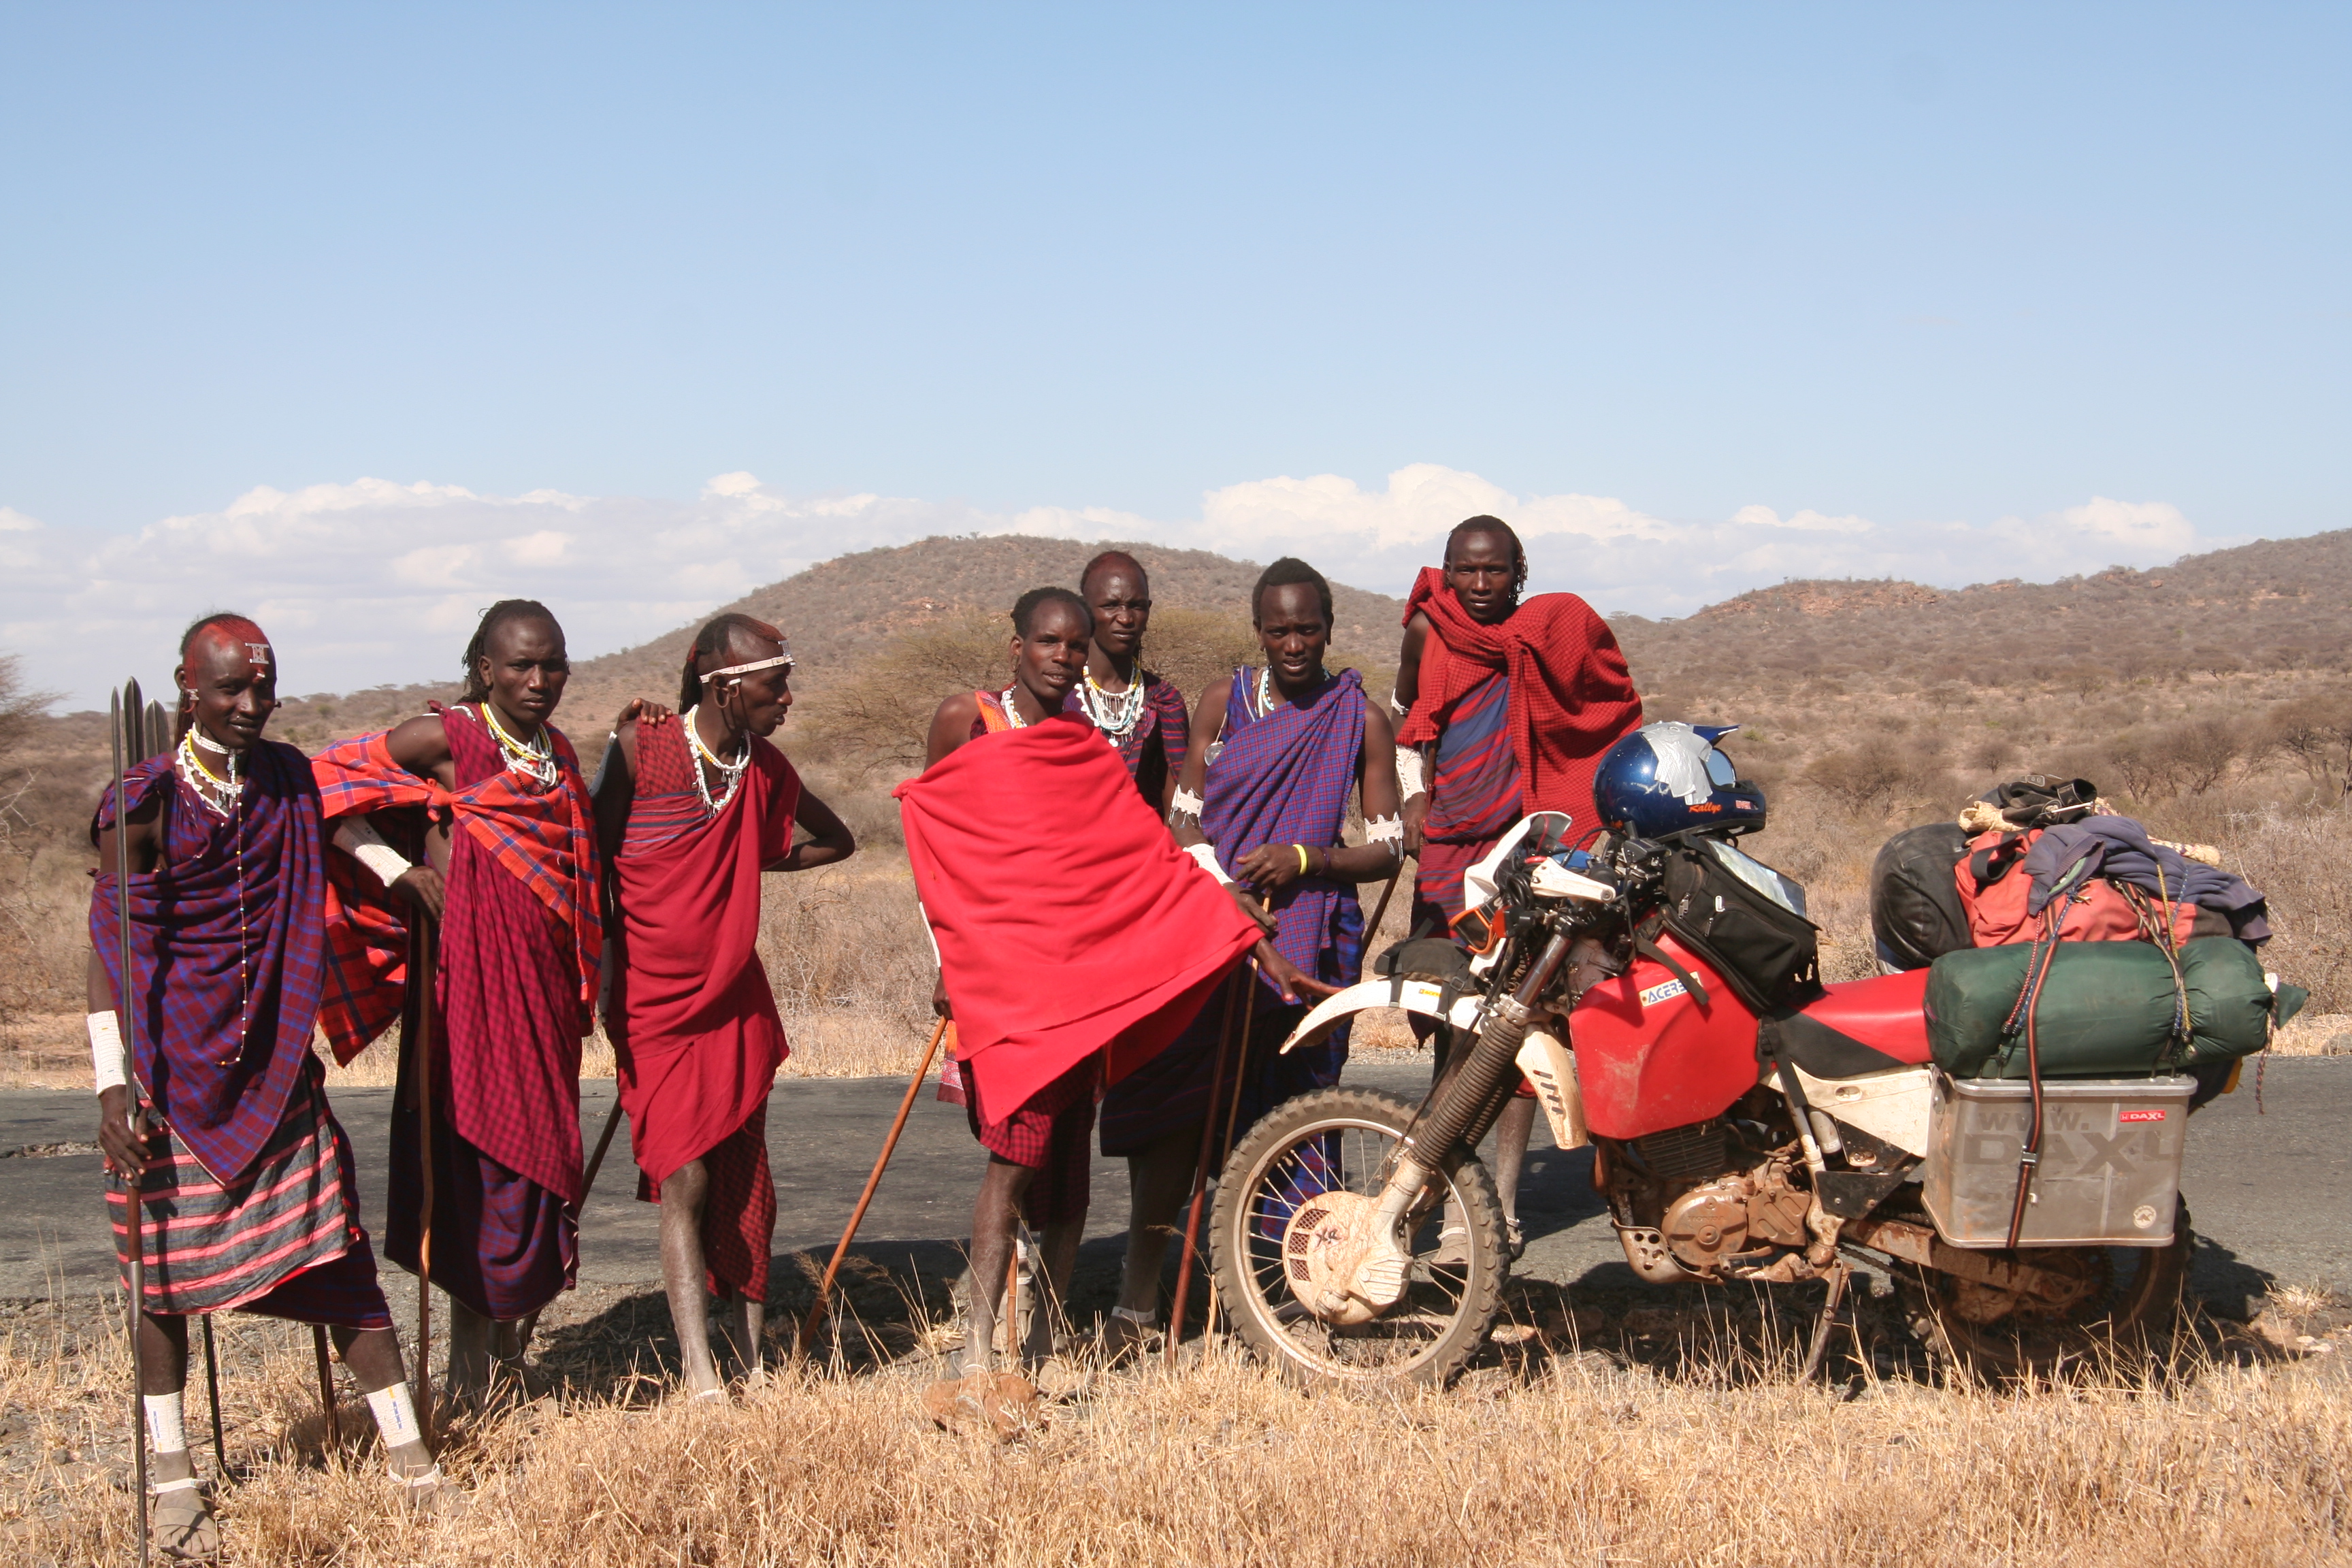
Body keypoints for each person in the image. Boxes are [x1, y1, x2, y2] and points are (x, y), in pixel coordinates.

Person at [91, 615, 449, 1556]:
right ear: (187, 689)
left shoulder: (287, 775)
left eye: (263, 688)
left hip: (275, 1065)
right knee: (162, 1285)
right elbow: (107, 948)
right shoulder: (145, 800)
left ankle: (414, 1463)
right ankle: (174, 1481)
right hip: (170, 1077)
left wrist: (399, 870)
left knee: (337, 1255)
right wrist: (108, 1088)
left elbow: (347, 811)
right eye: (230, 692)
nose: (250, 706)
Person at [911, 587, 1258, 1377]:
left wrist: (1214, 906)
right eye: (1048, 643)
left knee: (1063, 1160)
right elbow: (935, 841)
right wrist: (946, 958)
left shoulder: (1079, 739)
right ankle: (974, 1354)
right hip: (998, 976)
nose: (1064, 659)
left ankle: (1040, 1346)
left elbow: (1132, 846)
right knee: (1011, 1160)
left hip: (1072, 982)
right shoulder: (969, 720)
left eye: (1075, 646)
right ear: (1017, 647)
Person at [1097, 557, 1403, 1354]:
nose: (1294, 643)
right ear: (1258, 630)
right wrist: (1219, 886)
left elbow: (1386, 850)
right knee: (1184, 1108)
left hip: (1309, 930)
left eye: (1308, 628)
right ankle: (1145, 1296)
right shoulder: (1221, 705)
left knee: (1297, 1113)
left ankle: (1292, 1295)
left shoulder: (1358, 717)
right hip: (1211, 927)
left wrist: (1308, 859)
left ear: (1330, 629)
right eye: (1279, 629)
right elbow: (1185, 819)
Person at [311, 599, 608, 1407]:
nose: (539, 679)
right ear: (485, 668)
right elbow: (316, 787)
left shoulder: (562, 752)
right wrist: (393, 868)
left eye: (553, 664)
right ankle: (468, 1379)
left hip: (543, 994)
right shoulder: (445, 737)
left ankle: (511, 1361)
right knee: (480, 1163)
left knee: (545, 1166)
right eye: (521, 665)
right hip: (468, 990)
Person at [593, 615, 855, 1399]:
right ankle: (701, 1374)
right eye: (776, 685)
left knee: (742, 1177)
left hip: (734, 997)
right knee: (685, 1176)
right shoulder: (648, 748)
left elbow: (837, 841)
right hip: (653, 1000)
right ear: (726, 685)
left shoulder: (765, 767)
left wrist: (754, 859)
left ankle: (749, 1358)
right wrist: (601, 978)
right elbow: (594, 858)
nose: (788, 699)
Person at [1393, 516, 1644, 1258]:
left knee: (1520, 1021)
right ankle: (1425, 1204)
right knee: (1448, 1026)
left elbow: (1599, 709)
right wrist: (1413, 796)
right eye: (1463, 570)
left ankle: (1499, 1211)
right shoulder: (1427, 631)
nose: (1477, 586)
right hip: (1449, 849)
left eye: (1494, 571)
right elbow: (1413, 715)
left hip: (1524, 855)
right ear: (1445, 569)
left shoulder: (1548, 631)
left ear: (1519, 571)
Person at [1063, 550, 1189, 811]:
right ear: (1085, 611)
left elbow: (1177, 800)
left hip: (1141, 846)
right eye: (1111, 606)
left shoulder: (1162, 699)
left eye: (1137, 606)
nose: (1126, 618)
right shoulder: (1058, 694)